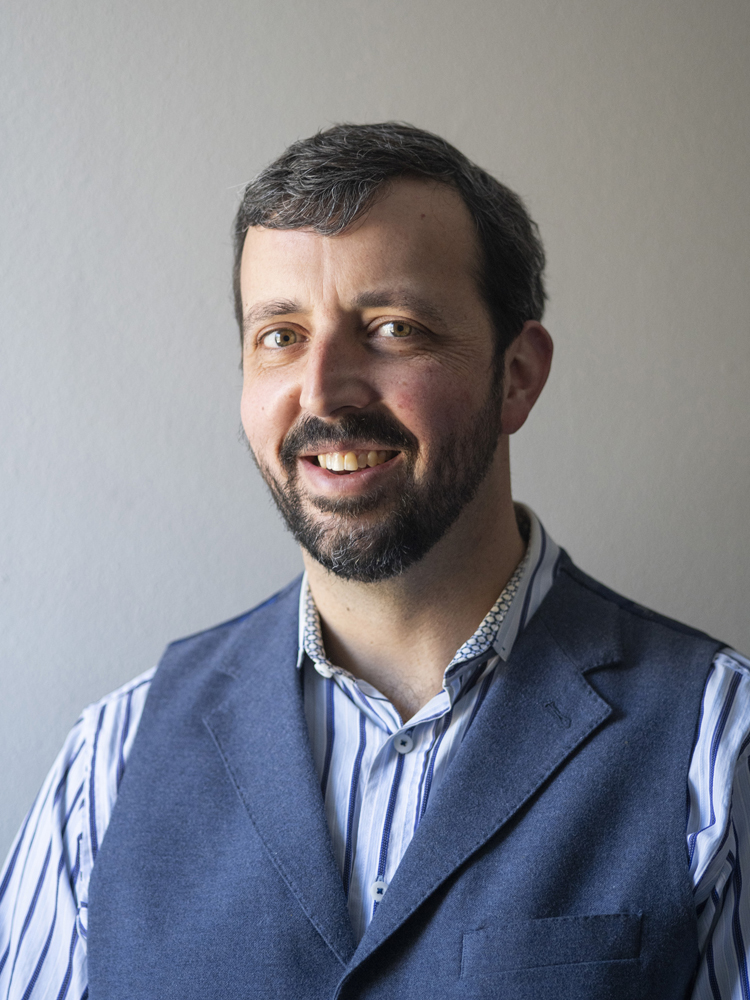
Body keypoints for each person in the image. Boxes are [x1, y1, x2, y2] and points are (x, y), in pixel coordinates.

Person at [0, 122, 748, 1000]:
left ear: (518, 376)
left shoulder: (716, 743)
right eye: (279, 334)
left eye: (392, 327)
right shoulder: (109, 764)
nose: (322, 391)